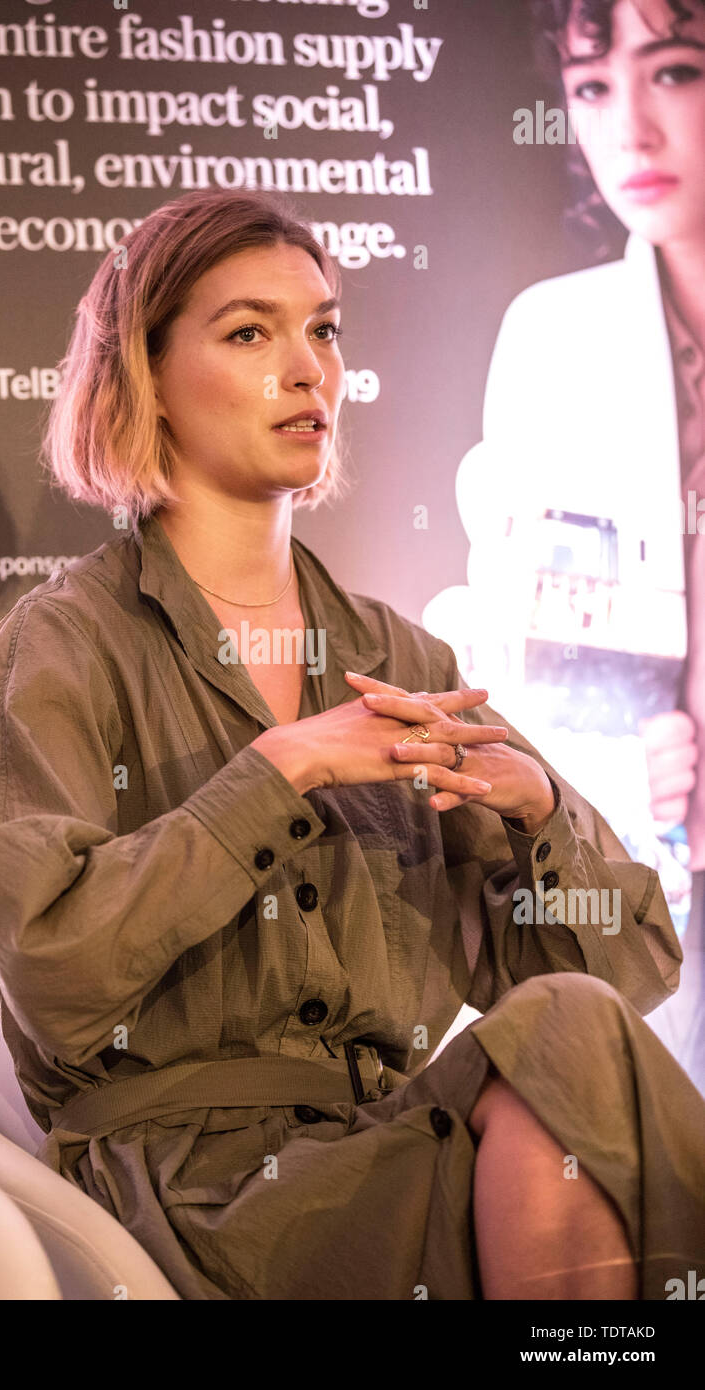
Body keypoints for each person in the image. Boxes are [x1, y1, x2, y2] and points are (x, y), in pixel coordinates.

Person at [0, 187, 705, 1301]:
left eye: (323, 329)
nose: (308, 370)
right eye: (249, 331)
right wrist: (278, 771)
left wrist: (540, 816)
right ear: (146, 374)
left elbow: (620, 972)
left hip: (386, 1146)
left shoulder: (403, 660)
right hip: (192, 1203)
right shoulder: (49, 652)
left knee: (575, 1037)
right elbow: (56, 978)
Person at [424, 0, 705, 1090]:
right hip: (642, 875)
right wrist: (617, 764)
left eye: (673, 72)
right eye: (590, 87)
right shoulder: (554, 336)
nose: (626, 127)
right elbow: (506, 654)